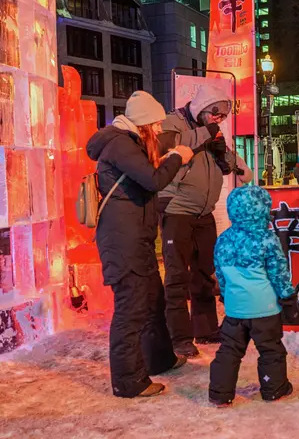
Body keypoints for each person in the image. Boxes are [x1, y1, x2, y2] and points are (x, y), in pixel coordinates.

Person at [86, 91, 194, 398]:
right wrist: (177, 157)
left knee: (151, 301)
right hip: (123, 243)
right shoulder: (120, 144)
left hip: (136, 240)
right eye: (156, 124)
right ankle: (128, 381)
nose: (159, 130)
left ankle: (159, 358)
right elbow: (153, 180)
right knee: (131, 310)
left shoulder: (130, 142)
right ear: (143, 123)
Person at [158, 86, 253, 358]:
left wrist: (236, 164)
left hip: (203, 212)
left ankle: (205, 328)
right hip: (176, 210)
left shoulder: (209, 127)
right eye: (215, 113)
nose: (218, 119)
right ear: (202, 107)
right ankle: (179, 337)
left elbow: (221, 154)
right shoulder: (173, 121)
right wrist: (206, 134)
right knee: (177, 275)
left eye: (223, 116)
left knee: (206, 272)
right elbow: (167, 145)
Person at [208, 186, 296, 407]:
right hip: (265, 308)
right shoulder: (267, 239)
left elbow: (220, 273)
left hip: (235, 308)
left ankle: (220, 392)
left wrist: (226, 296)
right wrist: (287, 297)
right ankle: (274, 388)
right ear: (263, 209)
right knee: (270, 349)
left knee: (229, 349)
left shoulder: (224, 239)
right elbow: (278, 272)